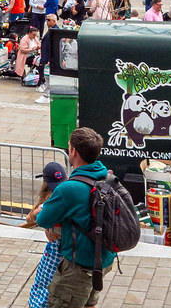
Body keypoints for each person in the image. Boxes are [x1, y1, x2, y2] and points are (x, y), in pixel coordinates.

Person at [36, 128, 115, 308]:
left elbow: (43, 220)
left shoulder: (69, 189)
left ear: (73, 151)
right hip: (104, 260)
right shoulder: (109, 178)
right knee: (89, 304)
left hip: (79, 265)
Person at [25, 162, 68, 308]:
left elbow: (31, 217)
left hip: (54, 251)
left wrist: (41, 214)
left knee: (44, 284)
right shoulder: (67, 193)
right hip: (65, 249)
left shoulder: (51, 200)